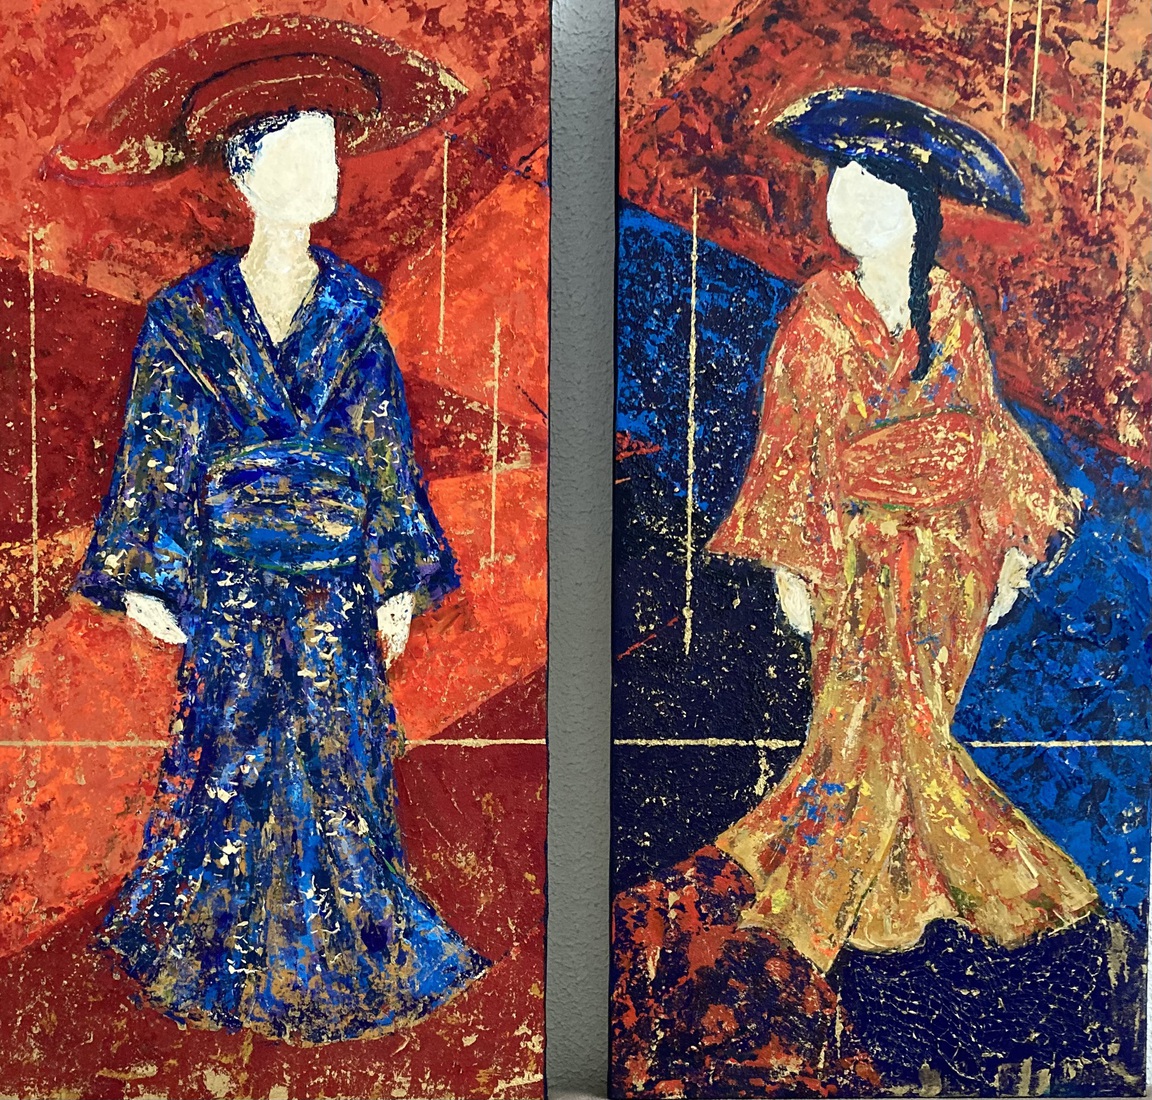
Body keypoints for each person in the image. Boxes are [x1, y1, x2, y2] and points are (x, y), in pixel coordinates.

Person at [46, 17, 487, 1043]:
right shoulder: (188, 319)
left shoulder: (353, 315)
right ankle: (221, 958)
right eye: (301, 153)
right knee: (232, 758)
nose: (325, 171)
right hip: (234, 591)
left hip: (335, 592)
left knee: (340, 761)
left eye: (331, 151)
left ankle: (350, 955)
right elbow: (158, 449)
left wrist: (397, 580)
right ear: (249, 174)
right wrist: (146, 572)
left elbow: (383, 454)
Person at [705, 88, 1099, 973]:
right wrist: (790, 568)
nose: (845, 201)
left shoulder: (950, 307)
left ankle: (893, 886)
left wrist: (1009, 557)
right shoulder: (818, 311)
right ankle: (900, 885)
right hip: (852, 554)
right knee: (868, 723)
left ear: (915, 209)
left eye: (870, 186)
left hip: (950, 558)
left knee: (912, 721)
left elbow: (985, 432)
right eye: (840, 182)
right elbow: (794, 444)